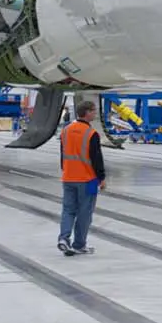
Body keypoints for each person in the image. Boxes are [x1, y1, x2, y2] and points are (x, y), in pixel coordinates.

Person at [58, 99, 106, 256]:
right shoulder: (91, 133)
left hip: (68, 177)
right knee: (85, 213)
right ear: (87, 112)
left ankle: (64, 239)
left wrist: (65, 170)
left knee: (68, 210)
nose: (95, 113)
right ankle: (79, 244)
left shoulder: (66, 130)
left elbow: (62, 154)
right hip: (89, 180)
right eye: (94, 111)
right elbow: (96, 158)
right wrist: (102, 178)